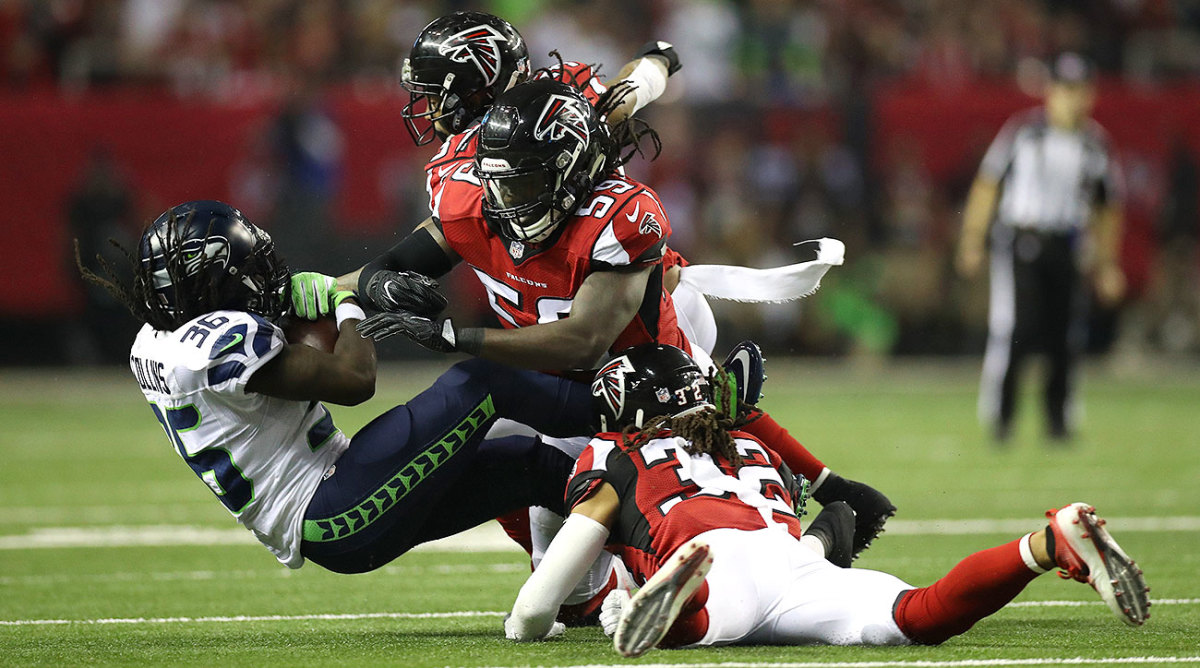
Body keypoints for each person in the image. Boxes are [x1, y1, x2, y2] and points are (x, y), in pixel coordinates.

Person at [332, 78, 894, 559]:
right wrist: (322, 292)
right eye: (499, 182)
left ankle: (790, 506)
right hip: (557, 379)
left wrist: (456, 335)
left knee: (685, 439)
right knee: (503, 466)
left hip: (638, 377)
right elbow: (394, 265)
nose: (507, 199)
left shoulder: (616, 216)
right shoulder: (471, 199)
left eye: (524, 184)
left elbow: (582, 340)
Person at [503, 343, 1150, 655]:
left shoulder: (613, 456)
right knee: (918, 617)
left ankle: (680, 598)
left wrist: (526, 624)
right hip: (793, 560)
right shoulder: (752, 449)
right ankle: (1046, 544)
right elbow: (800, 534)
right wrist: (827, 536)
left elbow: (537, 606)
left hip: (715, 565)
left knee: (696, 626)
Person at [74, 199, 606, 574]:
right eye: (244, 271)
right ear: (211, 284)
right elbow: (355, 380)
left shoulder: (154, 343)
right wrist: (346, 300)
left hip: (339, 514)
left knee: (530, 466)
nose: (261, 278)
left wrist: (320, 303)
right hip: (332, 505)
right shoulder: (221, 344)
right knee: (481, 381)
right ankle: (623, 412)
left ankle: (633, 548)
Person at [956, 52, 1125, 442]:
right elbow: (988, 185)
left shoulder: (1095, 145)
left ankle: (1059, 419)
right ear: (1051, 92)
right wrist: (972, 239)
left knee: (1064, 334)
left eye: (1079, 90)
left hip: (1067, 243)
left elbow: (1107, 208)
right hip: (1022, 240)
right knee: (1016, 329)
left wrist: (1107, 263)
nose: (1072, 98)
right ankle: (1002, 417)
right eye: (1065, 89)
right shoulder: (1024, 133)